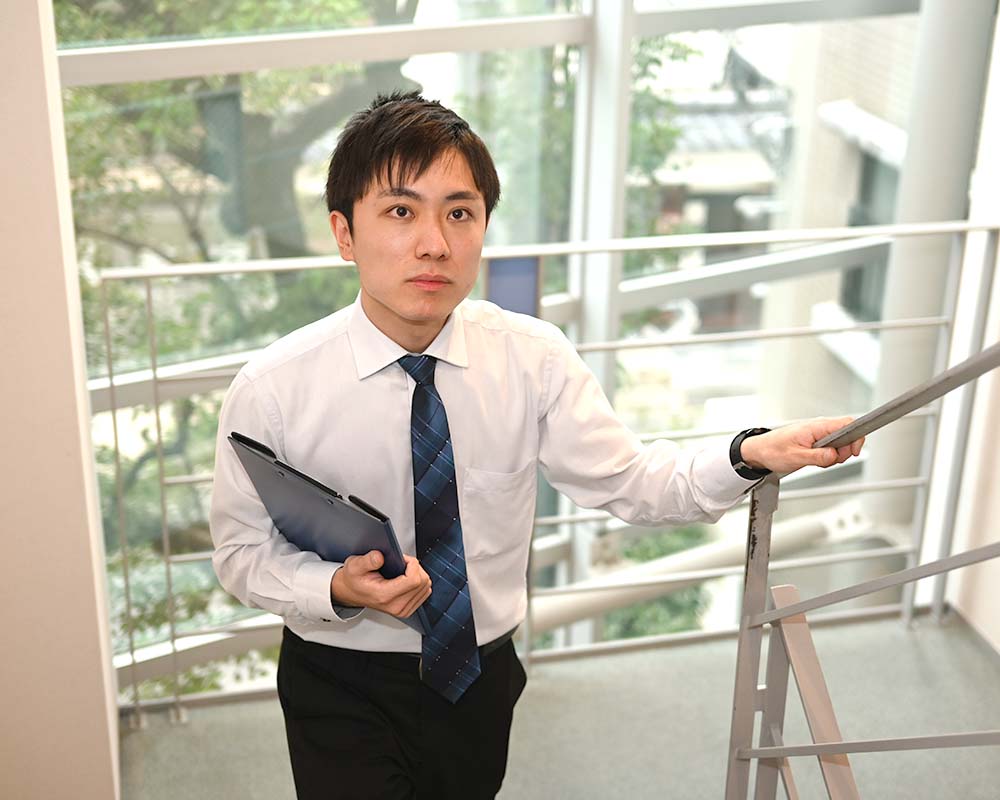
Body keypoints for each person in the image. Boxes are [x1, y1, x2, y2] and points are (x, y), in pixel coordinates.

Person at [209, 91, 865, 800]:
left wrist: (749, 453)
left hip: (479, 674)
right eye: (401, 212)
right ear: (344, 233)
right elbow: (240, 553)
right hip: (340, 676)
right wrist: (334, 587)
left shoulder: (532, 358)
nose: (434, 243)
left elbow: (632, 480)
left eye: (459, 213)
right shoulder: (273, 389)